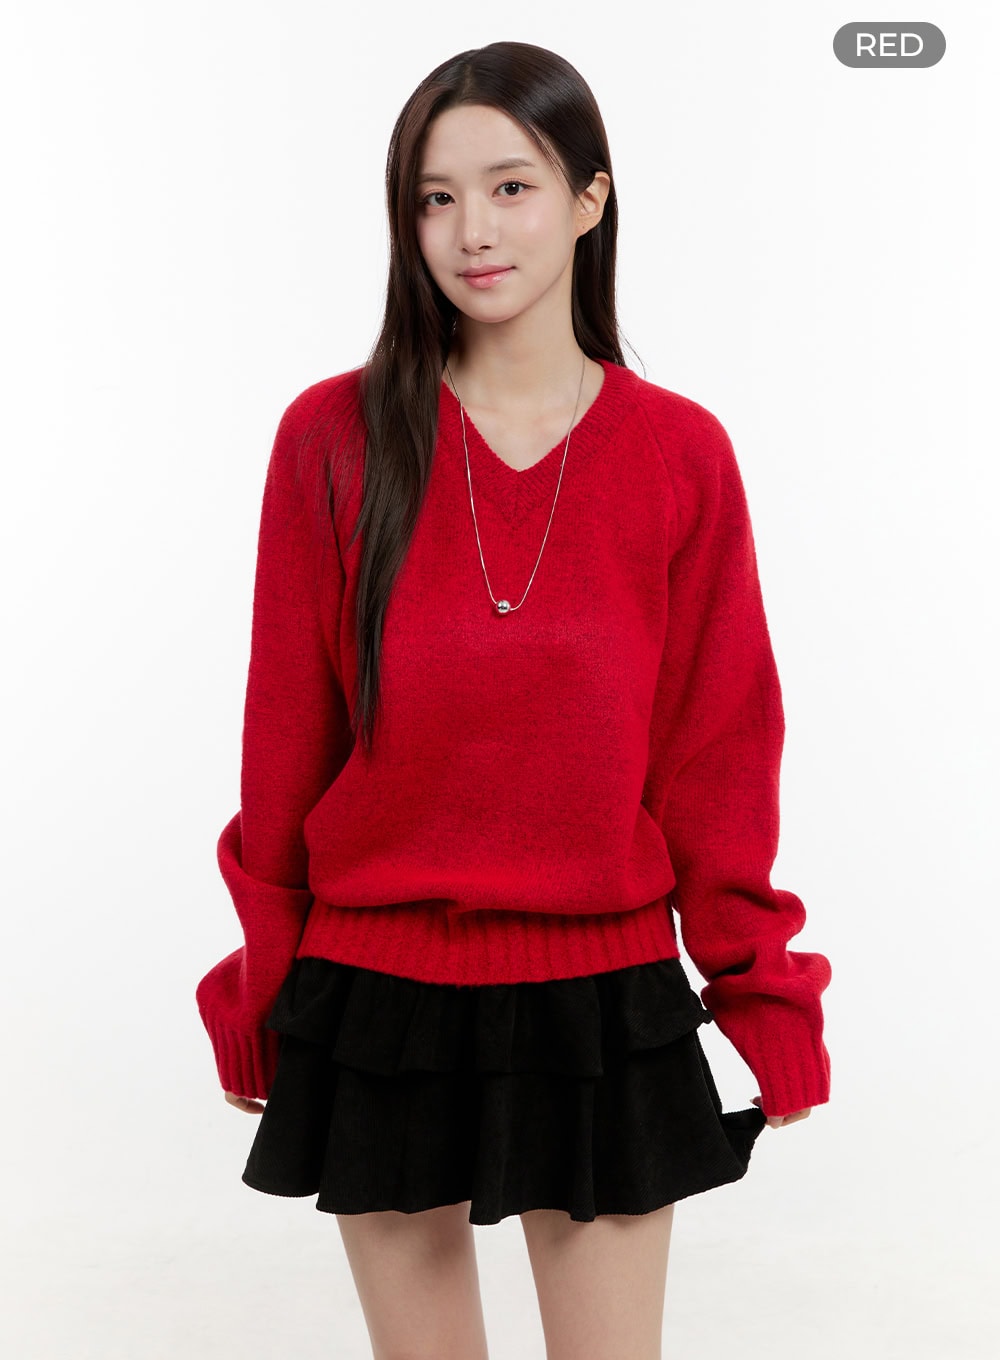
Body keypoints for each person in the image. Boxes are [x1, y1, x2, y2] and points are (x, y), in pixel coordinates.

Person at [195, 40, 832, 1360]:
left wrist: (760, 992)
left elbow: (717, 750)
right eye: (435, 198)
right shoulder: (332, 440)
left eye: (510, 187)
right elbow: (285, 741)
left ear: (591, 198)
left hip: (601, 996)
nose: (471, 230)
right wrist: (263, 985)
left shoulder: (679, 456)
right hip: (373, 994)